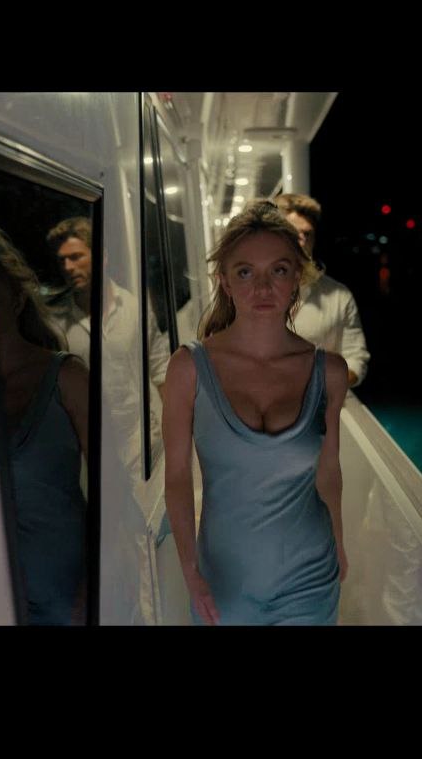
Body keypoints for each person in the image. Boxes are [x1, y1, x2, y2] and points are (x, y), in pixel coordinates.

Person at [162, 200, 348, 626]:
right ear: (224, 281)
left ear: (297, 277)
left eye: (278, 270)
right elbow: (177, 477)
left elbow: (329, 472)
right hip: (223, 582)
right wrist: (190, 570)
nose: (262, 288)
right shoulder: (189, 368)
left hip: (310, 577)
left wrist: (339, 542)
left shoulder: (329, 372)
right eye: (245, 272)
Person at [0, 228, 90, 625]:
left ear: (16, 298)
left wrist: (92, 586)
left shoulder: (66, 377)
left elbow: (113, 492)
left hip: (68, 598)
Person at [45, 216, 169, 480]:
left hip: (143, 446)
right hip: (91, 458)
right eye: (61, 260)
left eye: (76, 257)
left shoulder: (133, 307)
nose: (68, 267)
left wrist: (178, 431)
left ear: (101, 257)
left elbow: (160, 367)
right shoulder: (55, 323)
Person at [272, 193, 370, 389]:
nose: (301, 241)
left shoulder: (339, 296)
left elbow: (355, 358)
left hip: (322, 403)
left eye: (306, 234)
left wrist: (323, 387)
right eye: (292, 233)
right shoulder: (249, 292)